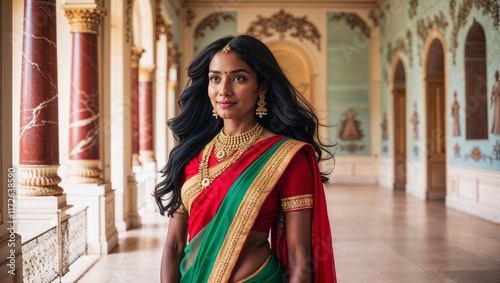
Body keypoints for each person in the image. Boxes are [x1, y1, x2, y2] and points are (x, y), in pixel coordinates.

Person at [155, 35, 336, 283]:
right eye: (215, 78)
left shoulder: (287, 157)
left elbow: (299, 254)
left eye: (238, 78)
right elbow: (174, 245)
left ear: (262, 87)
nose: (224, 90)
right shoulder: (189, 154)